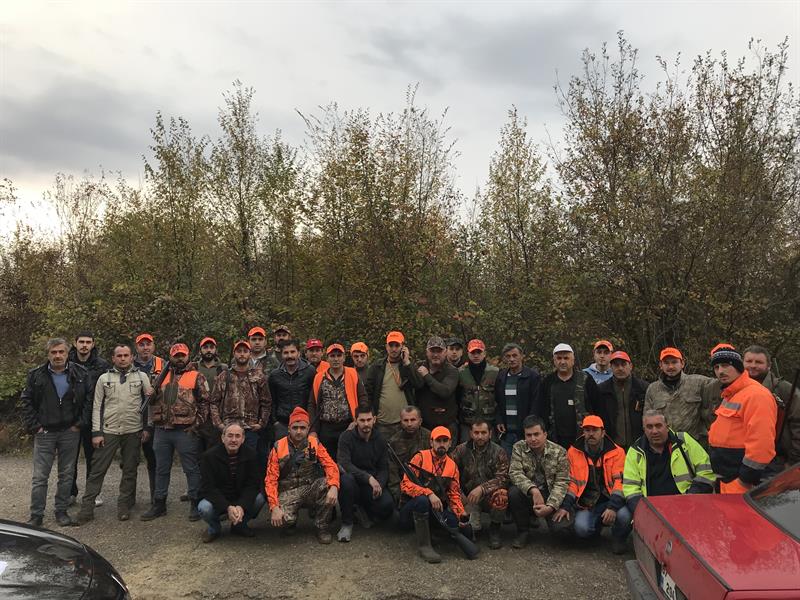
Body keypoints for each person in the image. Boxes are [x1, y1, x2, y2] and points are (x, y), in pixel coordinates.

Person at [76, 343, 152, 524]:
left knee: (130, 470)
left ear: (132, 357)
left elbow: (149, 404)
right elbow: (97, 407)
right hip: (109, 430)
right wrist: (97, 432)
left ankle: (124, 506)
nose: (123, 359)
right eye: (119, 356)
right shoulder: (104, 378)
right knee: (97, 469)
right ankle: (86, 510)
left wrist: (147, 427)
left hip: (133, 430)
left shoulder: (142, 377)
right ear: (113, 358)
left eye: (126, 355)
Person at [20, 338, 88, 527]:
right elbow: (26, 401)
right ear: (48, 354)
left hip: (70, 431)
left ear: (67, 353)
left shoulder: (81, 373)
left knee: (66, 475)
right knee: (40, 477)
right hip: (45, 433)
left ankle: (61, 511)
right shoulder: (36, 375)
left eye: (61, 352)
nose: (57, 356)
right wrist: (36, 427)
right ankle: (36, 515)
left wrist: (79, 424)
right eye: (54, 352)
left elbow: (88, 401)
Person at [141, 343, 209, 522]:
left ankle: (195, 503)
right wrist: (150, 393)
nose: (179, 358)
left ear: (187, 356)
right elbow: (152, 401)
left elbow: (205, 404)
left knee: (191, 468)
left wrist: (196, 425)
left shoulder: (196, 376)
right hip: (162, 429)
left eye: (182, 355)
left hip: (185, 430)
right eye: (176, 355)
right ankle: (159, 504)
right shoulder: (160, 376)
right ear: (170, 356)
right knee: (161, 468)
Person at [552, 415, 631, 554]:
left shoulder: (618, 452)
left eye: (595, 430)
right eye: (587, 430)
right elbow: (573, 482)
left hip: (610, 500)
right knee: (582, 529)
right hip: (587, 503)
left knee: (624, 515)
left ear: (603, 432)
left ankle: (619, 538)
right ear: (583, 432)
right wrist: (565, 506)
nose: (591, 434)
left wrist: (613, 507)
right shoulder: (573, 452)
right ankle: (596, 529)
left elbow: (620, 483)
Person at [708, 344, 777, 493]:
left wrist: (745, 479)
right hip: (727, 479)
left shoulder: (756, 395)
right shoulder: (731, 393)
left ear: (739, 367)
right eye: (716, 367)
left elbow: (762, 443)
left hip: (743, 483)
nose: (720, 371)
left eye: (725, 365)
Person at [265, 407, 340, 544]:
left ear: (308, 429)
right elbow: (270, 479)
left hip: (310, 488)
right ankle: (291, 522)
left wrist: (334, 486)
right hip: (288, 491)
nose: (299, 431)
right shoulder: (278, 446)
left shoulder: (314, 443)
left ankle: (322, 527)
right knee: (282, 519)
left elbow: (331, 466)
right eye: (295, 428)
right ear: (289, 429)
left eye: (302, 428)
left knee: (327, 485)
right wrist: (274, 507)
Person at [399, 426, 470, 563]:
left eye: (445, 441)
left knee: (461, 527)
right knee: (422, 500)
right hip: (411, 510)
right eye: (438, 441)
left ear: (450, 443)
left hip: (435, 511)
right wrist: (429, 493)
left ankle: (434, 532)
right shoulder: (420, 457)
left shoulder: (452, 466)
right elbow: (405, 485)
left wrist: (461, 515)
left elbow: (454, 495)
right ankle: (424, 546)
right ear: (431, 442)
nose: (441, 444)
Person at [622, 410, 715, 514]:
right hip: (652, 509)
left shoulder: (683, 441)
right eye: (649, 427)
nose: (654, 431)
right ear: (644, 430)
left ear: (667, 426)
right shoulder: (635, 451)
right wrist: (644, 512)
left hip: (688, 503)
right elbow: (630, 487)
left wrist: (691, 496)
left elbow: (706, 471)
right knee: (623, 515)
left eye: (658, 426)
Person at [507, 415, 571, 549]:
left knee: (563, 533)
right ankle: (523, 531)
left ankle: (544, 518)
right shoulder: (518, 447)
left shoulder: (559, 452)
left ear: (545, 434)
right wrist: (533, 490)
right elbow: (515, 473)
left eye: (536, 434)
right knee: (513, 493)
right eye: (529, 435)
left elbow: (562, 482)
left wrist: (551, 506)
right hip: (529, 494)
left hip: (550, 494)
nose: (533, 439)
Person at [197, 421, 266, 543]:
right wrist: (227, 507)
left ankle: (239, 525)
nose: (233, 440)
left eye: (237, 436)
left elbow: (253, 484)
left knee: (260, 498)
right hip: (219, 497)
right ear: (223, 438)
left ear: (243, 439)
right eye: (230, 435)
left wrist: (241, 505)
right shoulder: (209, 457)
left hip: (240, 496)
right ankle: (214, 528)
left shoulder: (251, 455)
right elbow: (208, 488)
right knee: (204, 507)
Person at [208, 340, 272, 465]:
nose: (242, 354)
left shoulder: (259, 376)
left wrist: (261, 423)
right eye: (239, 351)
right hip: (228, 428)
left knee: (249, 463)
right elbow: (214, 402)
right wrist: (219, 424)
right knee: (228, 464)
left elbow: (266, 402)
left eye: (245, 351)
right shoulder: (224, 376)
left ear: (250, 354)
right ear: (234, 353)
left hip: (250, 429)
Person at [336, 405, 394, 542]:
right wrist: (368, 478)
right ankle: (347, 523)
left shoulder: (380, 439)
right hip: (354, 482)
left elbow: (383, 467)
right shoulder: (346, 437)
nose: (366, 424)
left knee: (387, 505)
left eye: (369, 420)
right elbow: (344, 464)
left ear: (374, 419)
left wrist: (379, 484)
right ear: (355, 420)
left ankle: (363, 510)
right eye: (362, 420)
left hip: (371, 485)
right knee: (346, 480)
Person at [644, 347, 719, 448]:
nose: (670, 366)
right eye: (666, 363)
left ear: (682, 363)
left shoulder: (698, 383)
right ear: (661, 365)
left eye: (674, 362)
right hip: (667, 447)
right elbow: (647, 420)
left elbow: (723, 383)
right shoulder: (653, 389)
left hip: (695, 445)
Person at [451, 419, 509, 549]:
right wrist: (460, 493)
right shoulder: (460, 450)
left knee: (502, 495)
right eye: (476, 433)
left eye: (483, 432)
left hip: (489, 496)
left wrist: (482, 489)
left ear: (490, 433)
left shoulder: (498, 451)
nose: (480, 436)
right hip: (468, 497)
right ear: (471, 433)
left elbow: (503, 478)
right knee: (472, 530)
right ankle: (471, 526)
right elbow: (449, 474)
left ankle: (495, 529)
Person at [67, 331, 110, 507]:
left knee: (93, 458)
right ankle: (70, 492)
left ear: (93, 344)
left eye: (88, 342)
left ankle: (92, 493)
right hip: (71, 417)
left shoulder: (102, 365)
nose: (84, 345)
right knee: (70, 458)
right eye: (81, 342)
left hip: (93, 416)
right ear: (75, 343)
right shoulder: (67, 363)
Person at [743, 345, 800, 469]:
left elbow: (798, 425)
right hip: (743, 459)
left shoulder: (785, 390)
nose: (753, 365)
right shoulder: (734, 389)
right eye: (749, 361)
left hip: (777, 462)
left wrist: (793, 462)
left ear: (769, 366)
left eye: (759, 362)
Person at [308, 343, 367, 459]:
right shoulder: (319, 377)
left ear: (344, 358)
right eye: (332, 356)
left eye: (339, 355)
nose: (336, 359)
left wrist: (357, 421)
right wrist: (313, 430)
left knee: (348, 460)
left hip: (348, 426)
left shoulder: (352, 374)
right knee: (327, 462)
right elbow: (312, 404)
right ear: (327, 358)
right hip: (326, 428)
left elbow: (363, 398)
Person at [365, 331, 422, 440]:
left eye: (397, 345)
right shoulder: (377, 367)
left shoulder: (408, 365)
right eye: (391, 345)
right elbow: (368, 393)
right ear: (386, 347)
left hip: (405, 423)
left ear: (403, 347)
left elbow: (419, 384)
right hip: (382, 423)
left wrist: (407, 363)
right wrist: (371, 415)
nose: (394, 349)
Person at [589, 351, 648, 448]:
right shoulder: (602, 390)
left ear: (630, 366)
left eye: (623, 364)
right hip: (611, 444)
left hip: (639, 443)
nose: (620, 368)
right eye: (616, 365)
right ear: (611, 367)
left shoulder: (643, 388)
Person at [133, 332, 165, 503]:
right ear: (136, 347)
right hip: (132, 416)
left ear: (153, 346)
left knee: (154, 459)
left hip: (155, 417)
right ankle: (128, 499)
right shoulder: (128, 363)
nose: (145, 347)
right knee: (129, 461)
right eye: (141, 344)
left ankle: (156, 497)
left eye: (148, 344)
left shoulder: (163, 364)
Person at [495, 343, 543, 456]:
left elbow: (536, 403)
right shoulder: (501, 377)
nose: (511, 359)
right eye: (508, 356)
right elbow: (497, 401)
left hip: (526, 432)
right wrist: (499, 420)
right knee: (507, 463)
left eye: (514, 355)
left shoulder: (532, 376)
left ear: (522, 356)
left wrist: (530, 425)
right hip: (506, 432)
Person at [541, 343, 589, 448]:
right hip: (554, 439)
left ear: (573, 360)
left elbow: (597, 406)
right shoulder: (548, 382)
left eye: (566, 358)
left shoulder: (585, 379)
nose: (562, 362)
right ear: (554, 361)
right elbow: (542, 409)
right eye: (559, 358)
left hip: (582, 438)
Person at [268, 338, 317, 440]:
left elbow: (314, 399)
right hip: (282, 424)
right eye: (286, 353)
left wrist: (312, 423)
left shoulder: (310, 371)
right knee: (281, 450)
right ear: (281, 355)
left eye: (292, 352)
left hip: (303, 424)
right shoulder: (275, 375)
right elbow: (271, 400)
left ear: (298, 353)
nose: (289, 356)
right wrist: (275, 421)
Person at [414, 336, 459, 440]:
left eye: (439, 351)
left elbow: (445, 391)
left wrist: (426, 375)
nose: (435, 355)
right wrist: (407, 364)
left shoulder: (452, 370)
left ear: (445, 352)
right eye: (432, 351)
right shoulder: (419, 366)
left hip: (447, 425)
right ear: (427, 352)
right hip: (424, 426)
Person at [457, 339, 499, 443]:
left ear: (484, 353)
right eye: (473, 353)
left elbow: (500, 397)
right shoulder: (460, 372)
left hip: (489, 422)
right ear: (468, 354)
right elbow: (456, 396)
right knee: (465, 449)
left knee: (493, 449)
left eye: (479, 352)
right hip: (467, 422)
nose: (476, 356)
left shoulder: (495, 372)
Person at [387, 406, 431, 504]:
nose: (409, 424)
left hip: (428, 486)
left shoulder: (430, 438)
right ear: (401, 422)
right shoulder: (393, 442)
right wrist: (399, 496)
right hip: (404, 489)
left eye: (413, 420)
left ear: (420, 421)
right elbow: (392, 474)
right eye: (406, 420)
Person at [192, 336, 228, 451]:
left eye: (211, 347)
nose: (208, 350)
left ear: (215, 350)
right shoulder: (193, 367)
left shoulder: (224, 368)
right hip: (197, 417)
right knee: (196, 452)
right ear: (200, 350)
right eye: (205, 347)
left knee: (215, 451)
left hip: (217, 417)